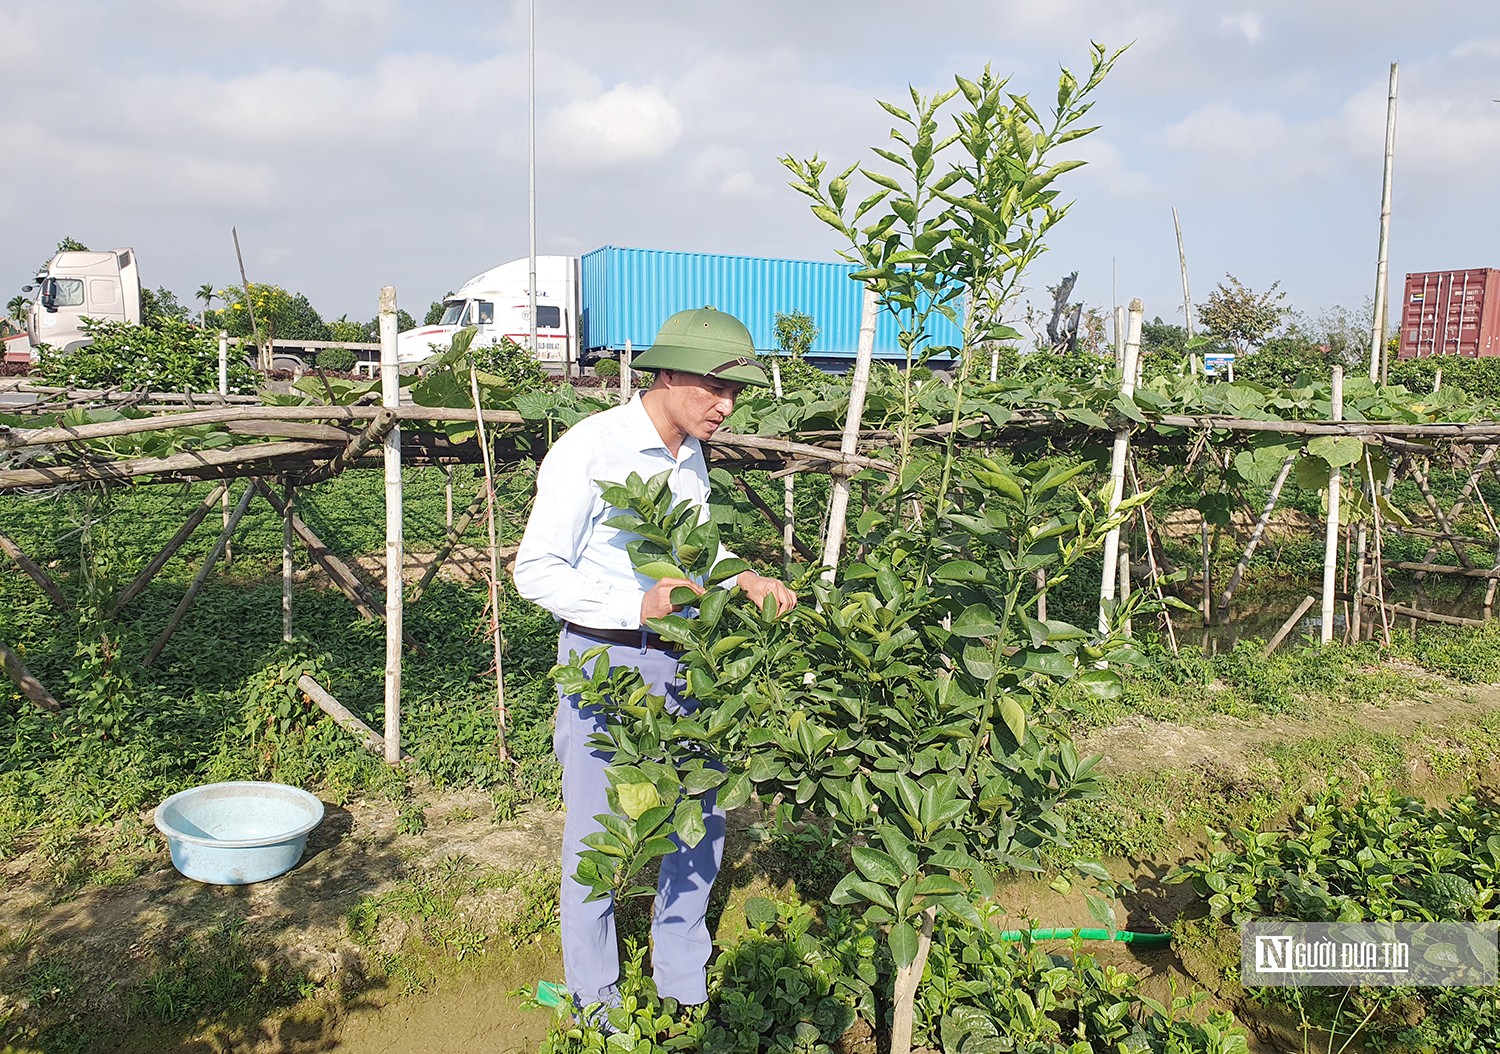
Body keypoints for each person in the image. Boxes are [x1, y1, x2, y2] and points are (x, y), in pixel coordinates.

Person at [513, 305, 798, 1014]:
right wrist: (635, 607)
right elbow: (535, 571)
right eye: (712, 388)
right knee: (598, 836)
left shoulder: (689, 454)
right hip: (608, 663)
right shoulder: (592, 449)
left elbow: (700, 557)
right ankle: (596, 1001)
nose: (725, 406)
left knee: (698, 819)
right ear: (667, 373)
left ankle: (681, 980)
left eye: (735, 393)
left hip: (690, 663)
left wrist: (743, 579)